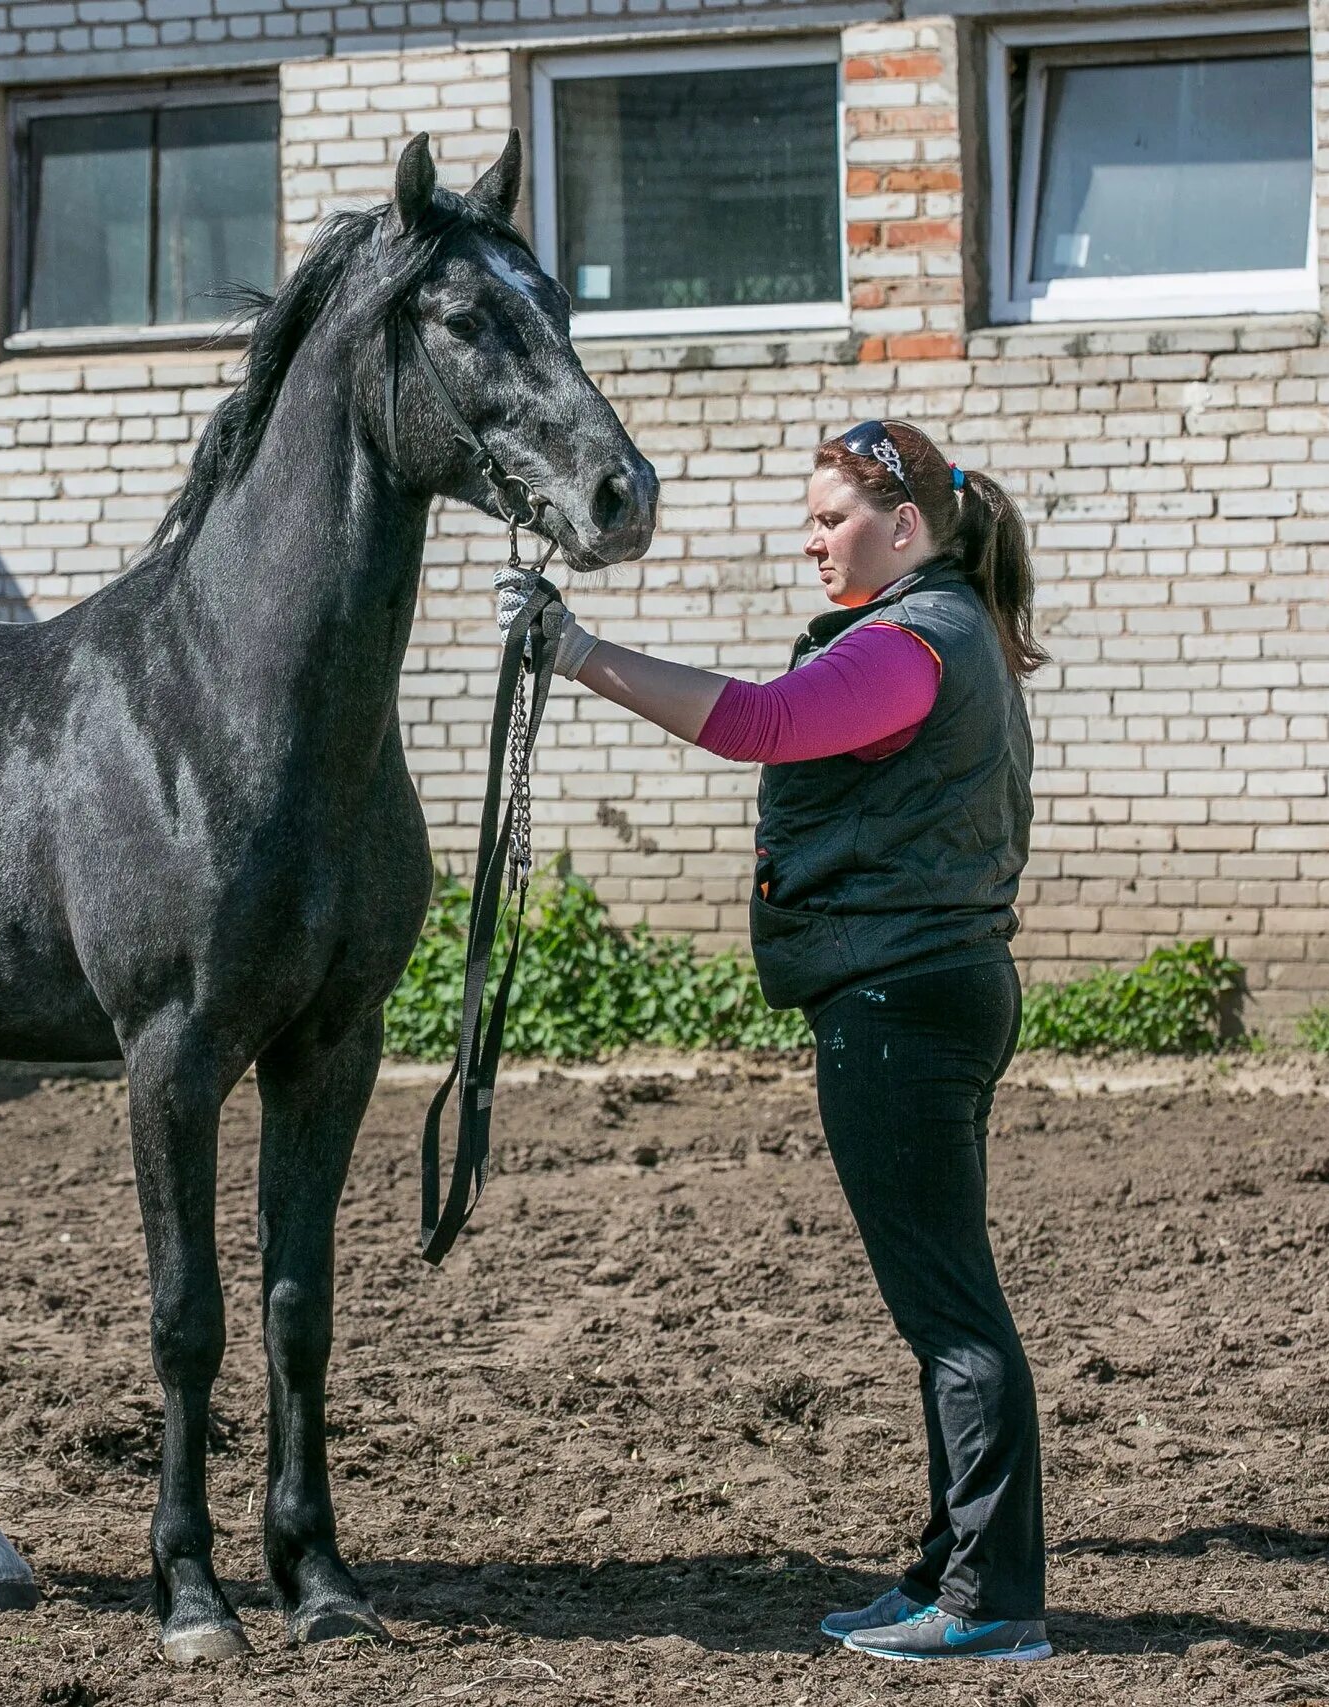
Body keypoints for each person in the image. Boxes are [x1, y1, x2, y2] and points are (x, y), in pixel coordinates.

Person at [498, 420, 1051, 1663]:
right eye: (809, 519)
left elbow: (757, 722)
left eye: (831, 518)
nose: (811, 540)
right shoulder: (948, 629)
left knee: (952, 1312)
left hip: (898, 1007)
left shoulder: (912, 643)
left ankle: (990, 1605)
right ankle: (946, 1574)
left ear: (902, 527)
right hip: (926, 991)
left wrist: (576, 651)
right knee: (941, 1307)